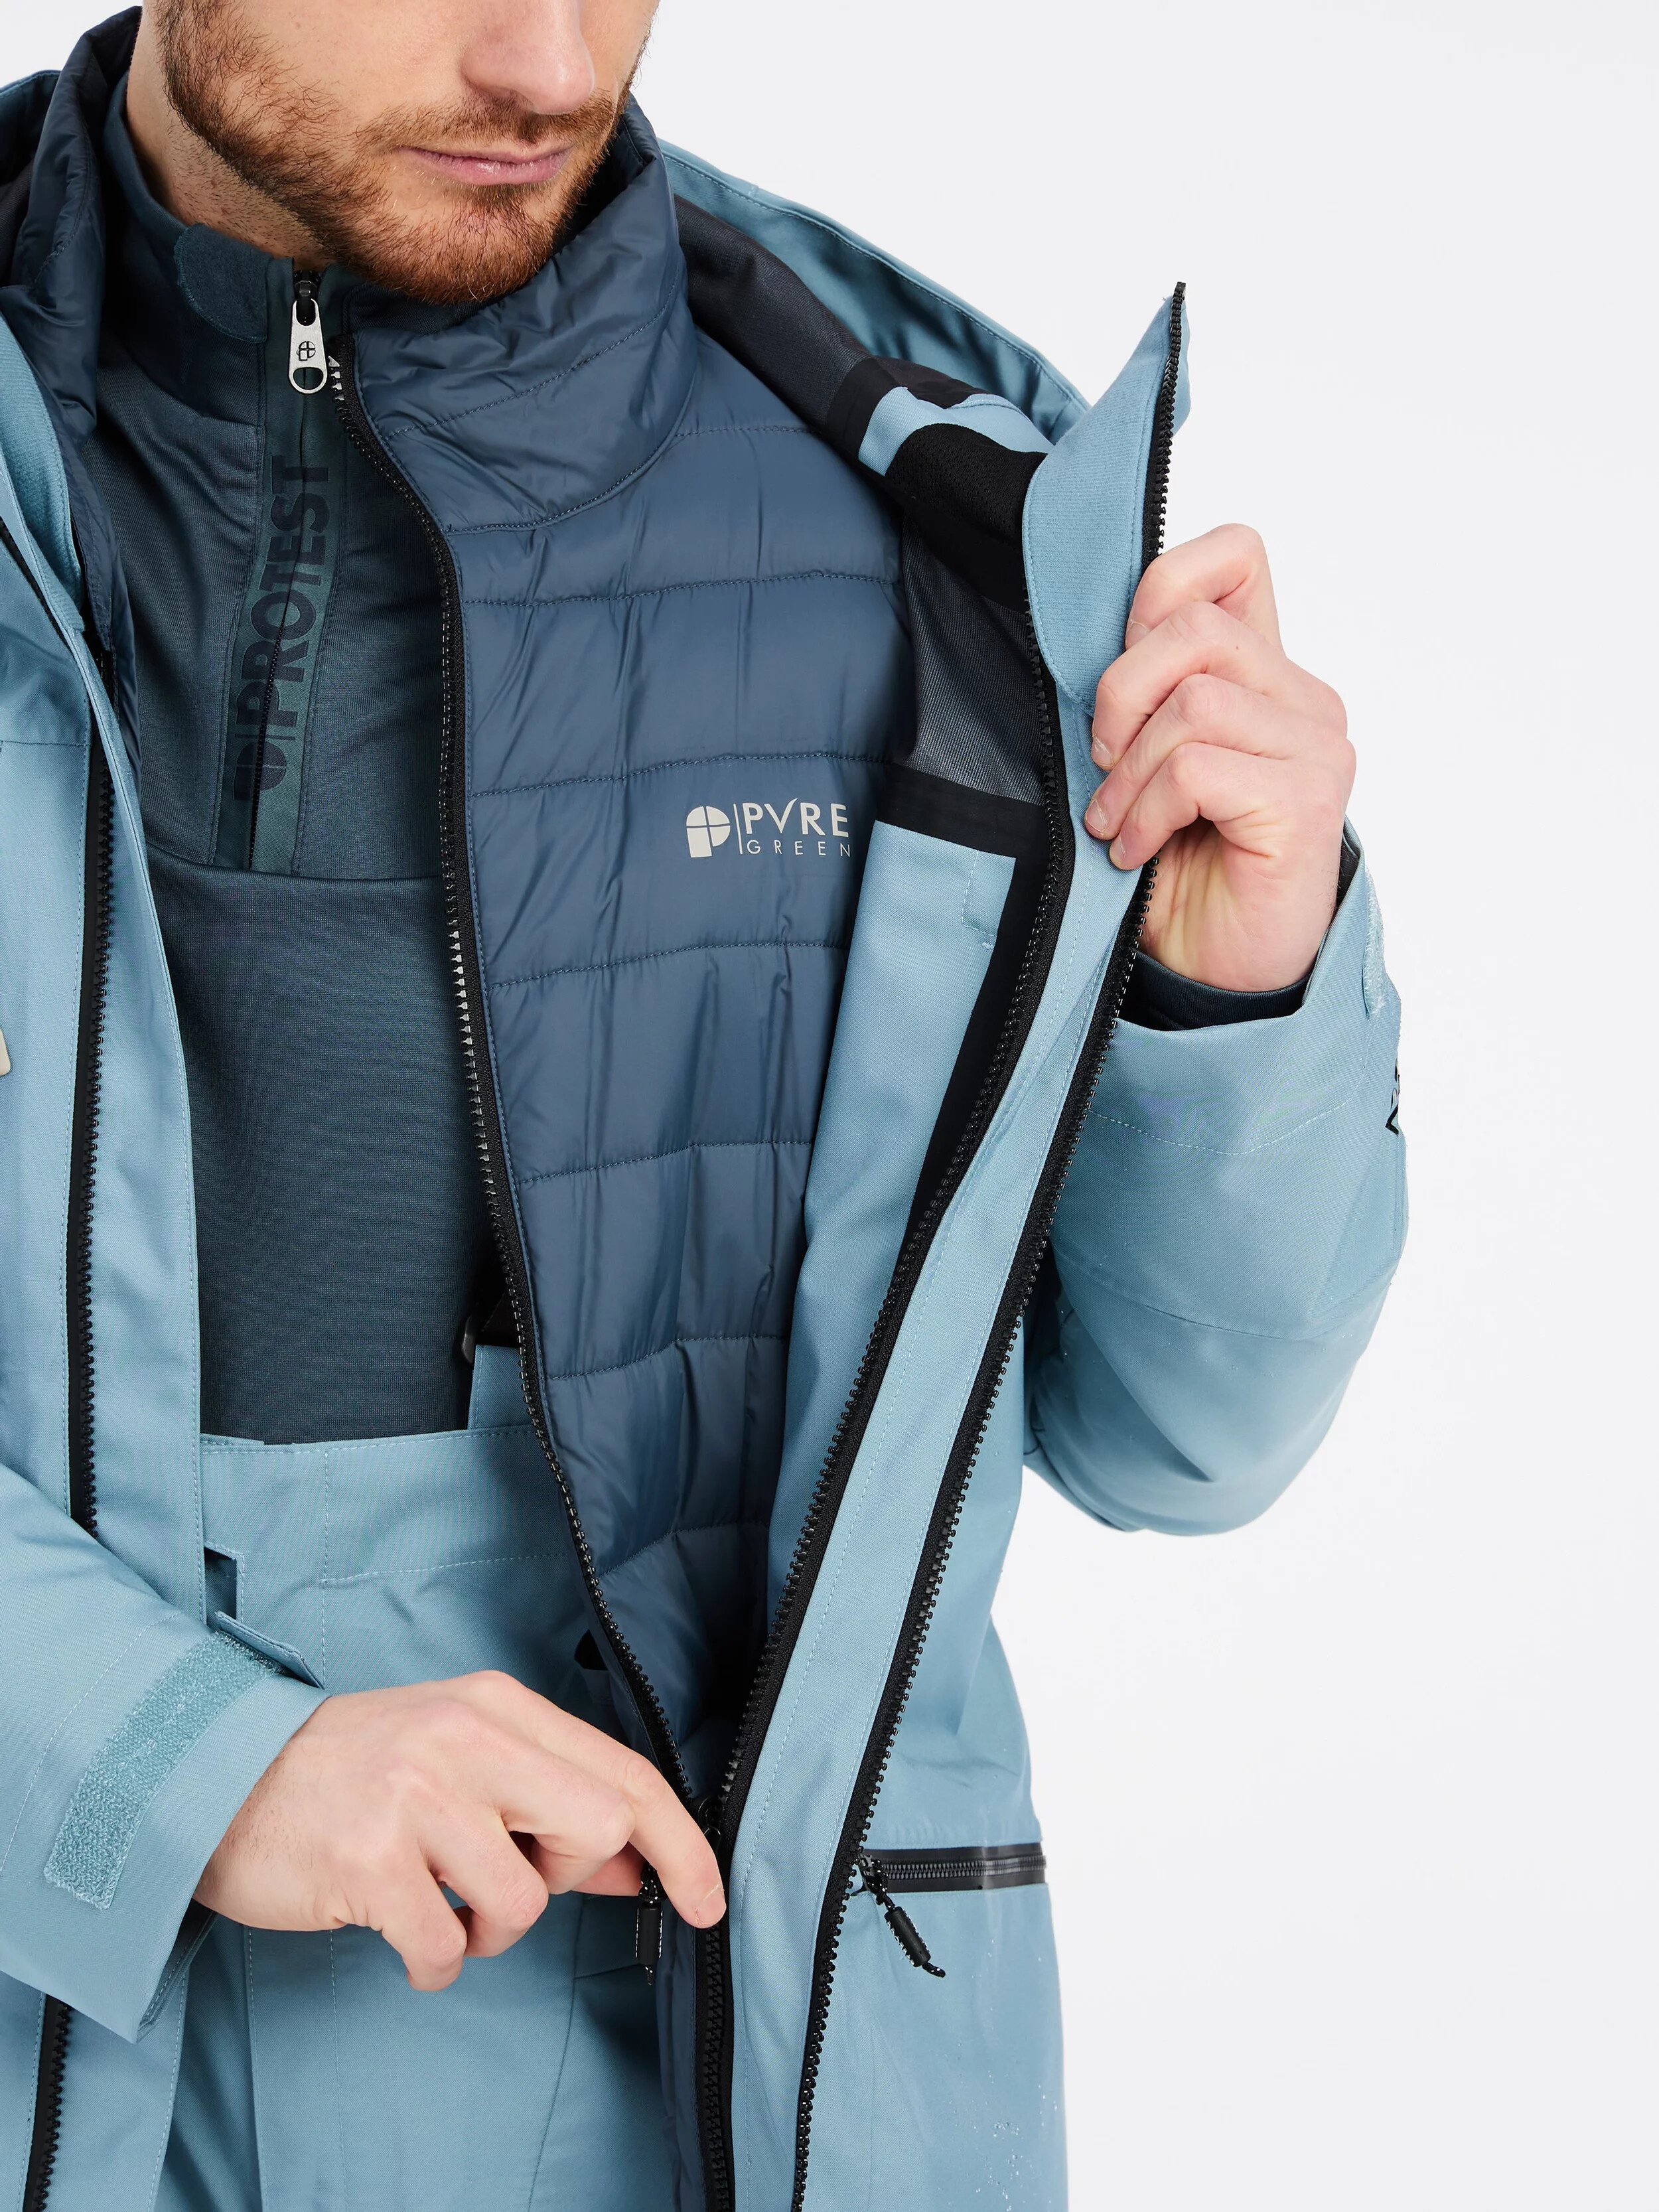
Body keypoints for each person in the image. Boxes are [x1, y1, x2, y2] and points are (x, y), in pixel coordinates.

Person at [0, 4, 1404, 2207]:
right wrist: (177, 1766)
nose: (548, 61)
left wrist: (1240, 984)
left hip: (708, 2101)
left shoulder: (937, 506)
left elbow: (1181, 1432)